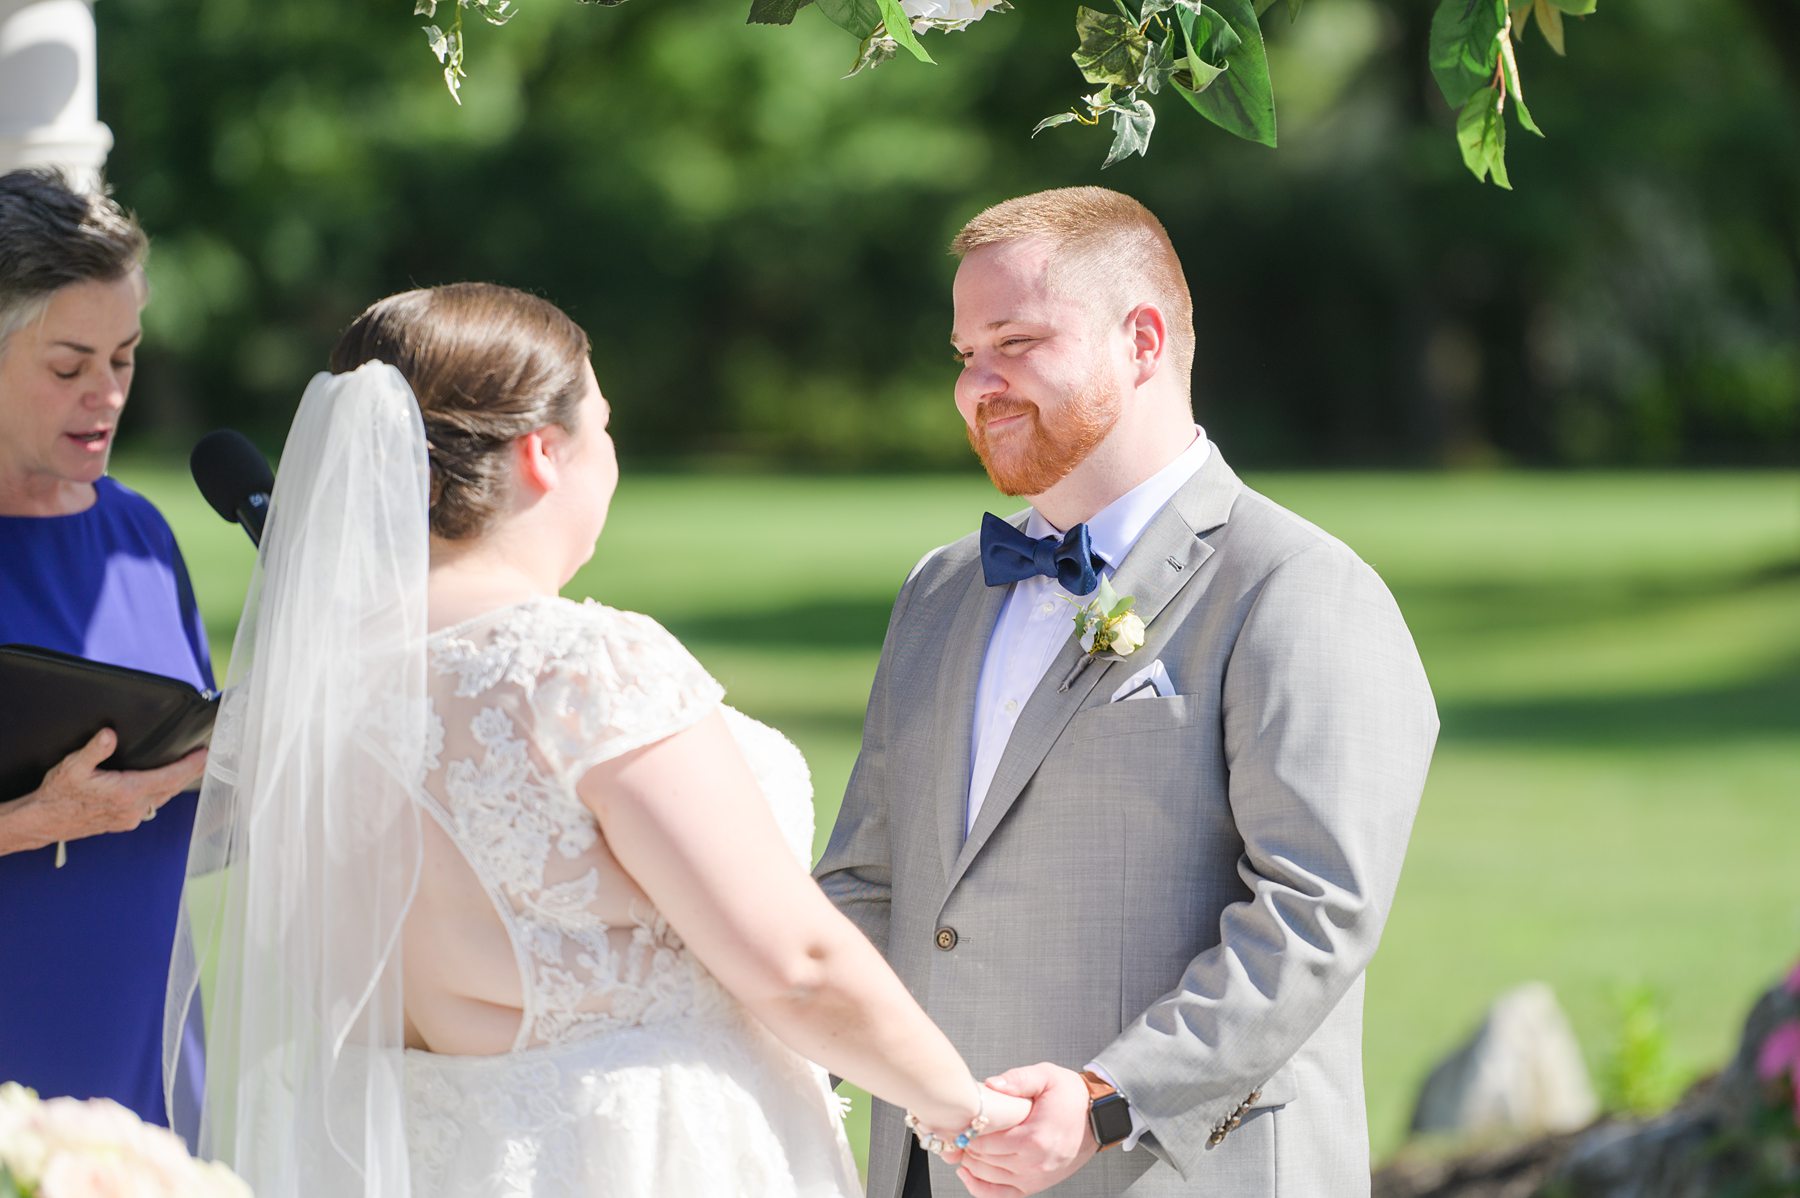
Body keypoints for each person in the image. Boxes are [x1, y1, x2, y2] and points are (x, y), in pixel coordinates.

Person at [165, 282, 1030, 1198]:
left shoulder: (297, 695)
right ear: (543, 453)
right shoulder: (576, 666)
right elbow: (797, 967)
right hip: (629, 1160)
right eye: (604, 427)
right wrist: (970, 1111)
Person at [815, 186, 1440, 1198]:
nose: (979, 384)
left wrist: (1108, 1096)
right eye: (966, 354)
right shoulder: (939, 591)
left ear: (1142, 339)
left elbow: (1313, 916)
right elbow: (867, 887)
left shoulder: (1299, 588)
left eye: (1014, 341)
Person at [0, 168, 211, 1131]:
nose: (107, 395)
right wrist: (29, 822)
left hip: (140, 1050)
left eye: (123, 359)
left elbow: (192, 763)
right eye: (69, 365)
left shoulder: (141, 535)